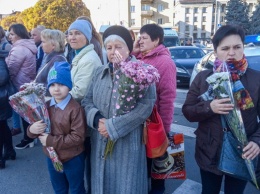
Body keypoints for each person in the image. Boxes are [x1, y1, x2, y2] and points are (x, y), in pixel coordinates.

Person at [182, 25, 260, 194]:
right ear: (216, 51)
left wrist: (257, 141)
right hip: (209, 150)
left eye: (237, 47)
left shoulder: (256, 79)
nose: (231, 53)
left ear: (243, 48)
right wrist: (209, 107)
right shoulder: (204, 78)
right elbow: (188, 111)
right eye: (225, 48)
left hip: (243, 152)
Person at [81, 25, 156, 194]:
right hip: (99, 138)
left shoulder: (142, 73)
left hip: (127, 143)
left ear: (128, 48)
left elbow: (146, 106)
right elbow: (86, 101)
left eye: (118, 46)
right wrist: (97, 119)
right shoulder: (99, 72)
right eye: (109, 47)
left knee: (126, 185)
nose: (113, 51)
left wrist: (113, 127)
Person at [27, 61, 86, 194]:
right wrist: (31, 130)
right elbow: (36, 128)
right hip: (51, 157)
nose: (56, 89)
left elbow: (78, 137)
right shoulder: (45, 106)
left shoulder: (75, 109)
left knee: (76, 189)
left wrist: (50, 141)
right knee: (59, 189)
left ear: (69, 86)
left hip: (72, 158)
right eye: (52, 85)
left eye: (61, 84)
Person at [132, 23, 177, 194]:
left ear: (156, 40)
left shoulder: (165, 62)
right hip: (139, 122)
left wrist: (165, 128)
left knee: (158, 168)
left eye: (144, 38)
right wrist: (134, 51)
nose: (140, 40)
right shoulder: (139, 57)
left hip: (155, 123)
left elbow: (167, 97)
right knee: (144, 165)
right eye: (139, 37)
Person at [6, 23, 37, 149]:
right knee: (28, 114)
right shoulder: (27, 46)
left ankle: (28, 138)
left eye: (12, 34)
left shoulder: (19, 49)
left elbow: (11, 69)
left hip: (20, 84)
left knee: (25, 114)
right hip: (27, 82)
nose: (10, 37)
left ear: (19, 34)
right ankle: (30, 137)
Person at [67, 19, 102, 103]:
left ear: (86, 37)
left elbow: (80, 92)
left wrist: (59, 99)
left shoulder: (88, 60)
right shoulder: (81, 55)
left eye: (77, 33)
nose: (72, 38)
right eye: (70, 34)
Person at [0, 26, 16, 168]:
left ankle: (1, 159)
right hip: (2, 97)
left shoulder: (1, 54)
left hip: (1, 97)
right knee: (3, 126)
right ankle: (10, 151)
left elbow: (2, 77)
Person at [35, 29, 66, 96]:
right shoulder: (52, 58)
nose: (41, 45)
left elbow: (55, 87)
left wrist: (34, 89)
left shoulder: (58, 61)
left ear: (53, 45)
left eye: (43, 42)